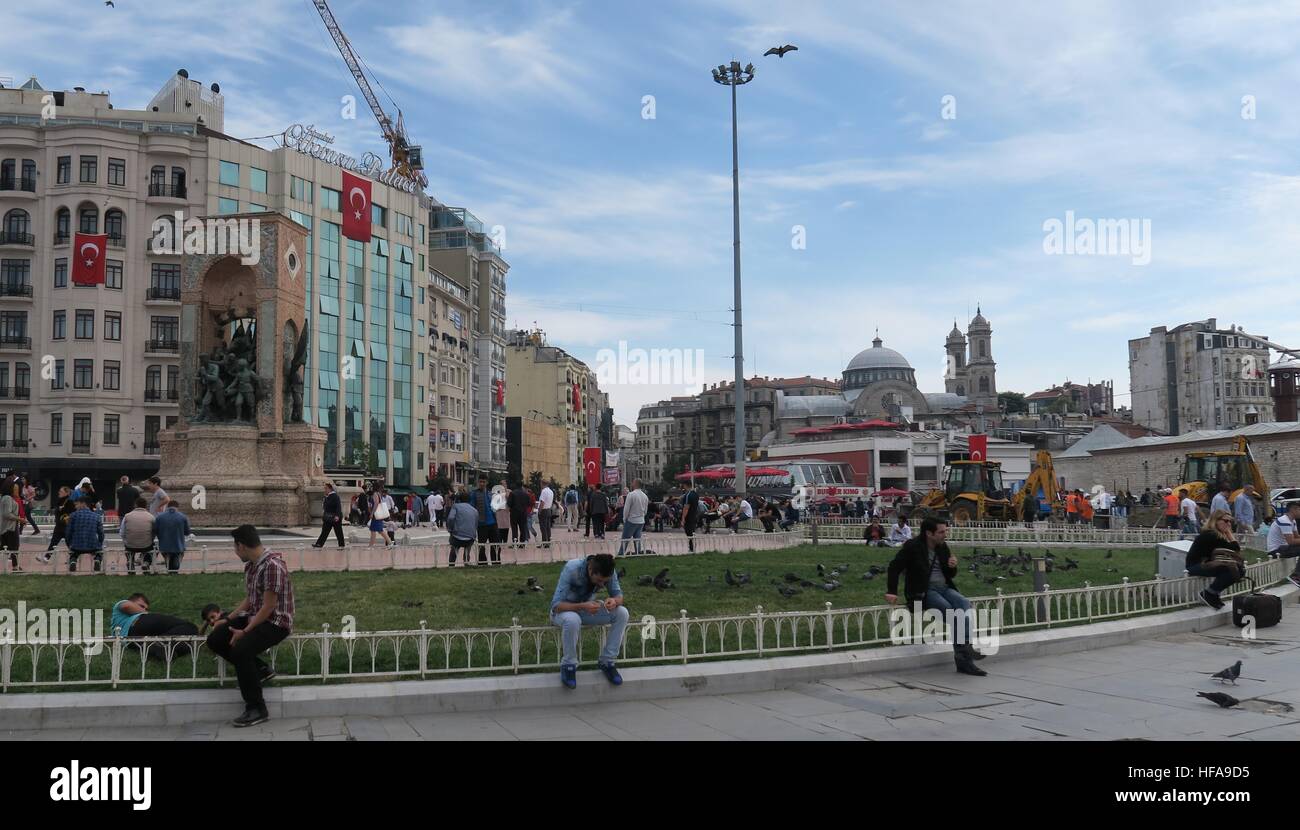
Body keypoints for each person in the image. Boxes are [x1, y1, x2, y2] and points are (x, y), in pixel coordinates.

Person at [205, 525, 295, 728]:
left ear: (242, 546)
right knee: (216, 639)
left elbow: (268, 607)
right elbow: (250, 599)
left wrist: (244, 631)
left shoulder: (272, 566)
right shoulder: (252, 566)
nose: (235, 552)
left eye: (235, 548)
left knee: (240, 650)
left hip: (275, 622)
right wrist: (228, 620)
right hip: (255, 615)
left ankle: (256, 708)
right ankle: (260, 670)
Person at [886, 517, 986, 676]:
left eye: (946, 531)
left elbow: (949, 575)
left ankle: (966, 652)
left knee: (964, 604)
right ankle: (965, 658)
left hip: (944, 588)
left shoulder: (942, 547)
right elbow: (894, 567)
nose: (945, 534)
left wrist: (952, 566)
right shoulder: (913, 547)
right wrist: (892, 591)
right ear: (929, 533)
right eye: (941, 532)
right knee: (952, 613)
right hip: (925, 591)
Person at [550, 553, 628, 689]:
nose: (603, 585)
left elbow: (618, 596)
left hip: (587, 609)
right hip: (563, 612)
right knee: (573, 620)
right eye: (599, 581)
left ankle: (607, 661)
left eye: (605, 581)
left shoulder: (608, 570)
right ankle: (569, 665)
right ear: (590, 570)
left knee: (622, 613)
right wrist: (582, 606)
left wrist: (614, 601)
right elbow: (556, 606)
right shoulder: (571, 568)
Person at [111, 593, 199, 660]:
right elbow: (126, 606)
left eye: (146, 609)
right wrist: (147, 614)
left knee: (186, 647)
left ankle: (157, 647)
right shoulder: (120, 605)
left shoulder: (117, 628)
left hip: (132, 642)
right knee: (190, 627)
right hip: (138, 623)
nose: (144, 610)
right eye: (141, 606)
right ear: (131, 601)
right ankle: (159, 644)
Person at [1187, 509, 1245, 610]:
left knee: (1237, 569)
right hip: (1196, 565)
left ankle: (1213, 594)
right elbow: (1235, 549)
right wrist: (1229, 533)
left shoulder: (1216, 534)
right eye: (1226, 521)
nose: (1229, 524)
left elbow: (1234, 552)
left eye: (1230, 521)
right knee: (1233, 569)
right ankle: (1209, 593)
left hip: (1207, 563)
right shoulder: (1212, 534)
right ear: (1216, 520)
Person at [1265, 501, 1300, 589]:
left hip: (1283, 548)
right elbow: (1291, 541)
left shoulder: (1292, 521)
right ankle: (1295, 576)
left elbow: (1297, 537)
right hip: (1275, 551)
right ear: (1293, 510)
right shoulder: (1284, 521)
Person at [66, 497, 104, 573]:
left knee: (73, 553)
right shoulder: (96, 516)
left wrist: (69, 544)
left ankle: (73, 561)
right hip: (93, 544)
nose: (75, 507)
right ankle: (97, 560)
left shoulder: (73, 515)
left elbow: (68, 532)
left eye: (76, 504)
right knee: (99, 553)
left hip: (76, 545)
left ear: (83, 504)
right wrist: (100, 543)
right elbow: (101, 533)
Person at [120, 496, 156, 575]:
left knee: (128, 548)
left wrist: (126, 541)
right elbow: (154, 532)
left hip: (130, 544)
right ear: (146, 506)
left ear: (135, 505)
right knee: (155, 548)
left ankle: (130, 562)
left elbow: (122, 532)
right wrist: (150, 540)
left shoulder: (127, 516)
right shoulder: (151, 517)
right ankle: (146, 562)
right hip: (146, 545)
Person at [38, 485, 73, 564]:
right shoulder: (60, 500)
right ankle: (46, 558)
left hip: (66, 527)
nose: (59, 492)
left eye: (61, 491)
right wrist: (55, 510)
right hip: (59, 526)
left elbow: (71, 513)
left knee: (69, 544)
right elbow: (56, 510)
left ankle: (73, 559)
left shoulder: (70, 501)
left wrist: (63, 510)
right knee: (53, 542)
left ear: (67, 493)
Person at [154, 502, 191, 574]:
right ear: (177, 507)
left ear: (168, 507)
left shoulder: (159, 517)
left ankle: (170, 569)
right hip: (178, 546)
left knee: (169, 562)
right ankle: (174, 570)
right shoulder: (183, 517)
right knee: (176, 561)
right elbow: (187, 532)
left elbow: (155, 530)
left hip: (164, 546)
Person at [468, 478, 497, 564]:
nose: (482, 483)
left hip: (493, 522)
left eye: (483, 482)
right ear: (477, 482)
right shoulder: (474, 494)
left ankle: (496, 561)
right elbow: (472, 507)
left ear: (486, 482)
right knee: (482, 545)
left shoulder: (490, 493)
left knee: (495, 544)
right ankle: (482, 563)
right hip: (481, 523)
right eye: (480, 481)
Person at [446, 491, 478, 566]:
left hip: (457, 536)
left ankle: (451, 564)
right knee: (467, 547)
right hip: (470, 538)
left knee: (454, 549)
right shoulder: (474, 510)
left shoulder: (456, 506)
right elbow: (476, 524)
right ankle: (466, 561)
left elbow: (450, 518)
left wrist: (450, 529)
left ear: (459, 499)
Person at [618, 479, 649, 555]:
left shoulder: (631, 494)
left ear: (635, 484)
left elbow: (626, 509)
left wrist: (625, 519)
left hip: (631, 520)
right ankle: (638, 553)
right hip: (641, 520)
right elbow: (645, 510)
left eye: (633, 482)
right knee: (637, 539)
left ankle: (621, 554)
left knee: (625, 539)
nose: (631, 483)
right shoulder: (645, 496)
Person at [313, 482, 346, 548]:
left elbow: (338, 506)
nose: (324, 490)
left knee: (338, 532)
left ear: (330, 489)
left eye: (326, 488)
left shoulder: (335, 496)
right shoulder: (327, 496)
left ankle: (341, 545)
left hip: (335, 517)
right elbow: (325, 506)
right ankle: (319, 544)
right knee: (324, 531)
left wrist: (337, 516)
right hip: (328, 517)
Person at [0, 477, 20, 570]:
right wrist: (20, 519)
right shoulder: (7, 498)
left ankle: (16, 566)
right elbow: (7, 514)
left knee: (9, 548)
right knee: (13, 547)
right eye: (16, 489)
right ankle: (16, 567)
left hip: (8, 526)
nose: (17, 490)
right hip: (9, 527)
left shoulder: (6, 498)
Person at [681, 485, 701, 552]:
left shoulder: (688, 495)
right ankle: (692, 546)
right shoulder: (696, 494)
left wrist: (683, 518)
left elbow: (686, 507)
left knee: (688, 531)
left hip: (689, 516)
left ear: (685, 485)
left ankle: (691, 547)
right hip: (694, 515)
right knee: (692, 531)